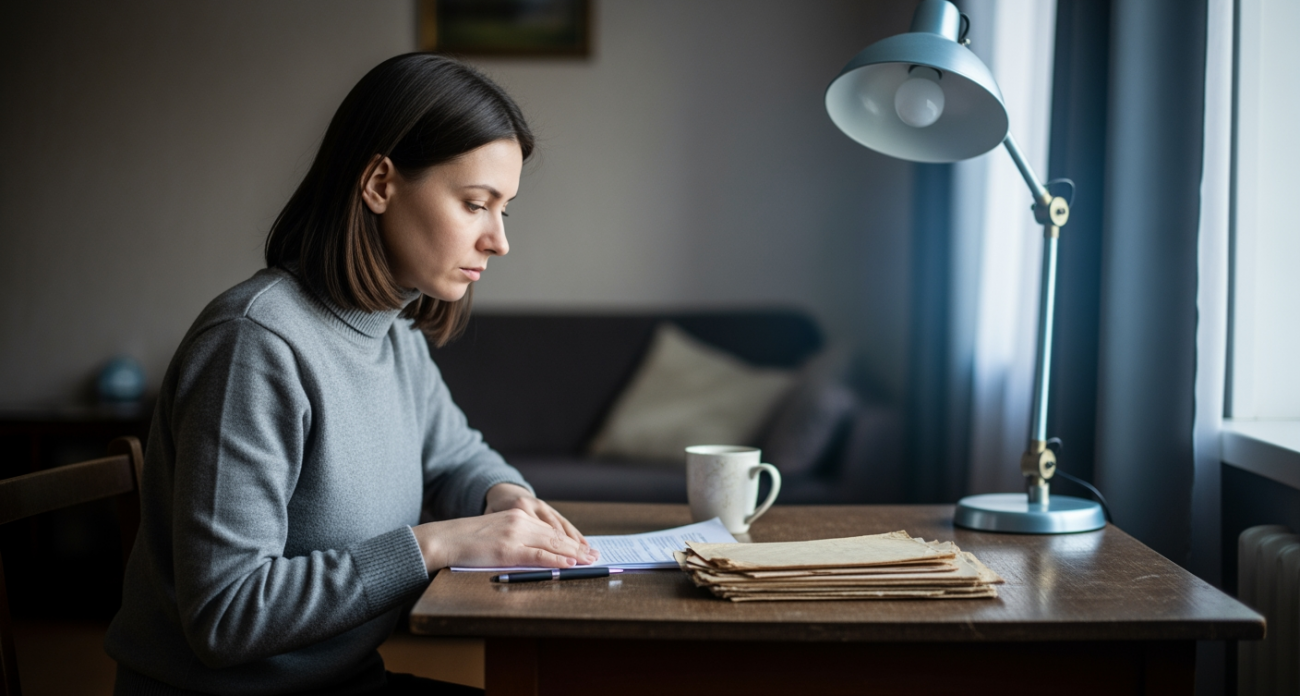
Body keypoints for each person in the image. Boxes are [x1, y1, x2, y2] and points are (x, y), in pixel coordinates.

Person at [105, 53, 596, 695]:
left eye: (505, 210)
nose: (498, 240)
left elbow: (453, 457)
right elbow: (225, 615)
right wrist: (435, 546)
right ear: (380, 184)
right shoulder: (254, 346)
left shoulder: (392, 330)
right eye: (476, 204)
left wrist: (499, 495)